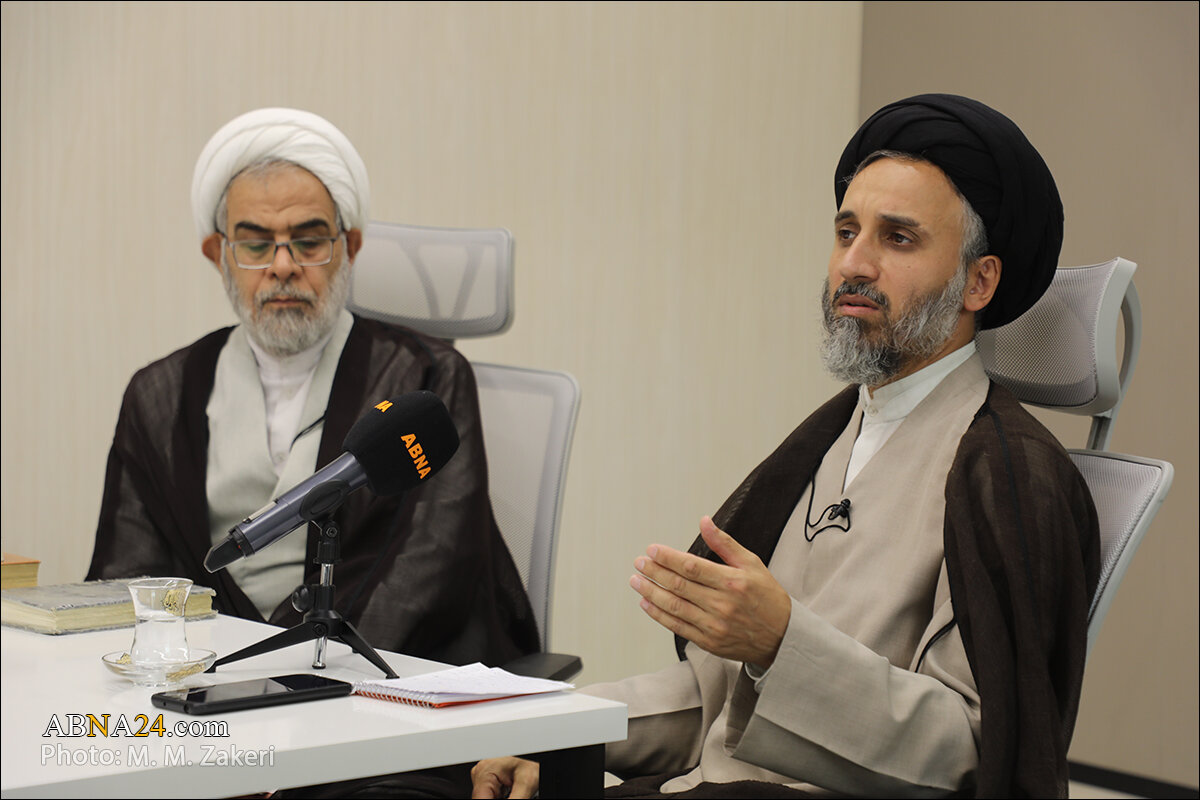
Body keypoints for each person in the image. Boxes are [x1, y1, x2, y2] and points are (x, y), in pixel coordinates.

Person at [471, 94, 1099, 799]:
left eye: (897, 239)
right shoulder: (833, 437)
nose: (853, 264)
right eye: (845, 232)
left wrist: (781, 644)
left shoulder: (1009, 478)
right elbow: (713, 700)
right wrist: (549, 732)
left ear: (979, 281)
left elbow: (976, 754)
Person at [87, 108, 539, 672]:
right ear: (218, 255)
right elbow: (128, 576)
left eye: (308, 241)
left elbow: (428, 571)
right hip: (210, 681)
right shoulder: (160, 394)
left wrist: (297, 671)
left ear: (350, 247)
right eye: (256, 244)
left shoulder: (426, 379)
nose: (283, 266)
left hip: (373, 680)